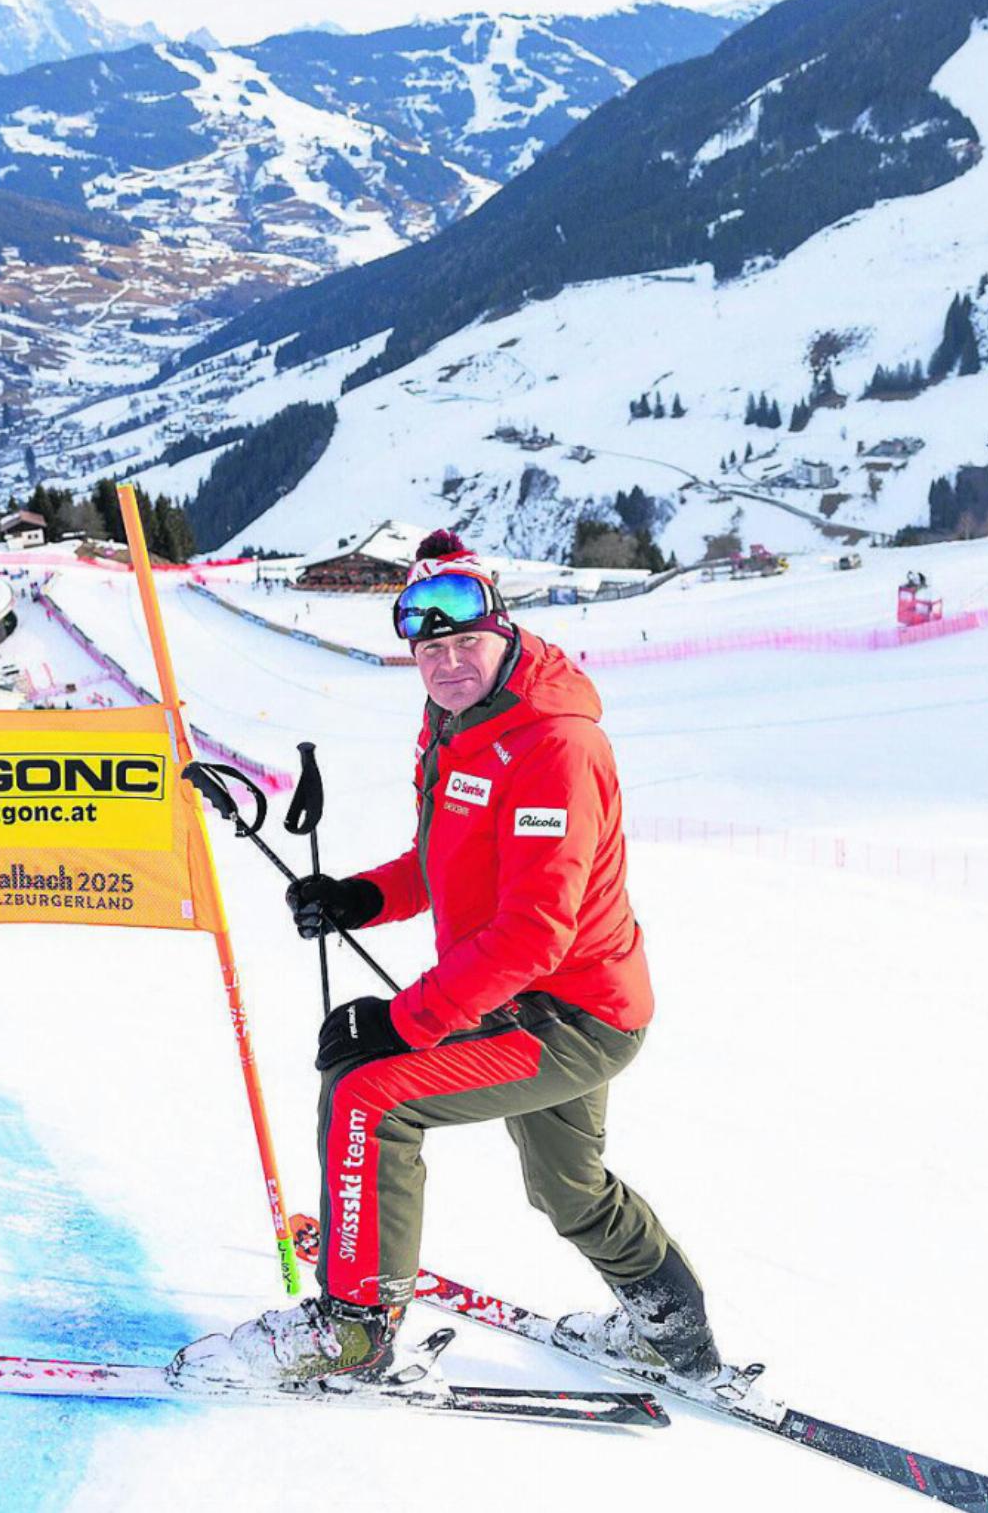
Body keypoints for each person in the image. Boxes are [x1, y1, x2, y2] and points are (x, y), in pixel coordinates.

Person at [172, 531, 723, 1391]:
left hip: (572, 1013)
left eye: (467, 641)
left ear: (504, 631)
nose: (450, 661)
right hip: (525, 997)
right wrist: (363, 895)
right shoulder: (456, 725)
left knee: (370, 1093)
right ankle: (675, 1336)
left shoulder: (555, 747)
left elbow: (534, 931)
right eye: (432, 647)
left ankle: (352, 1330)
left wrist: (403, 1020)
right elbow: (448, 860)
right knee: (567, 1188)